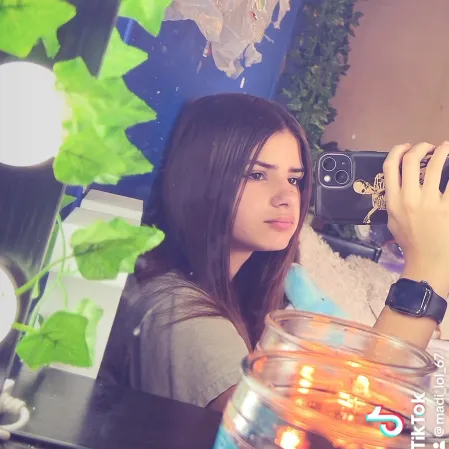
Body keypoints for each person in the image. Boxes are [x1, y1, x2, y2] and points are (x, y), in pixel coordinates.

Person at [99, 93, 449, 412]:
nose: (286, 196)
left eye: (294, 179)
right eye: (256, 174)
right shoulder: (179, 312)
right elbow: (347, 422)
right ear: (204, 179)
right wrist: (427, 270)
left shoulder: (248, 290)